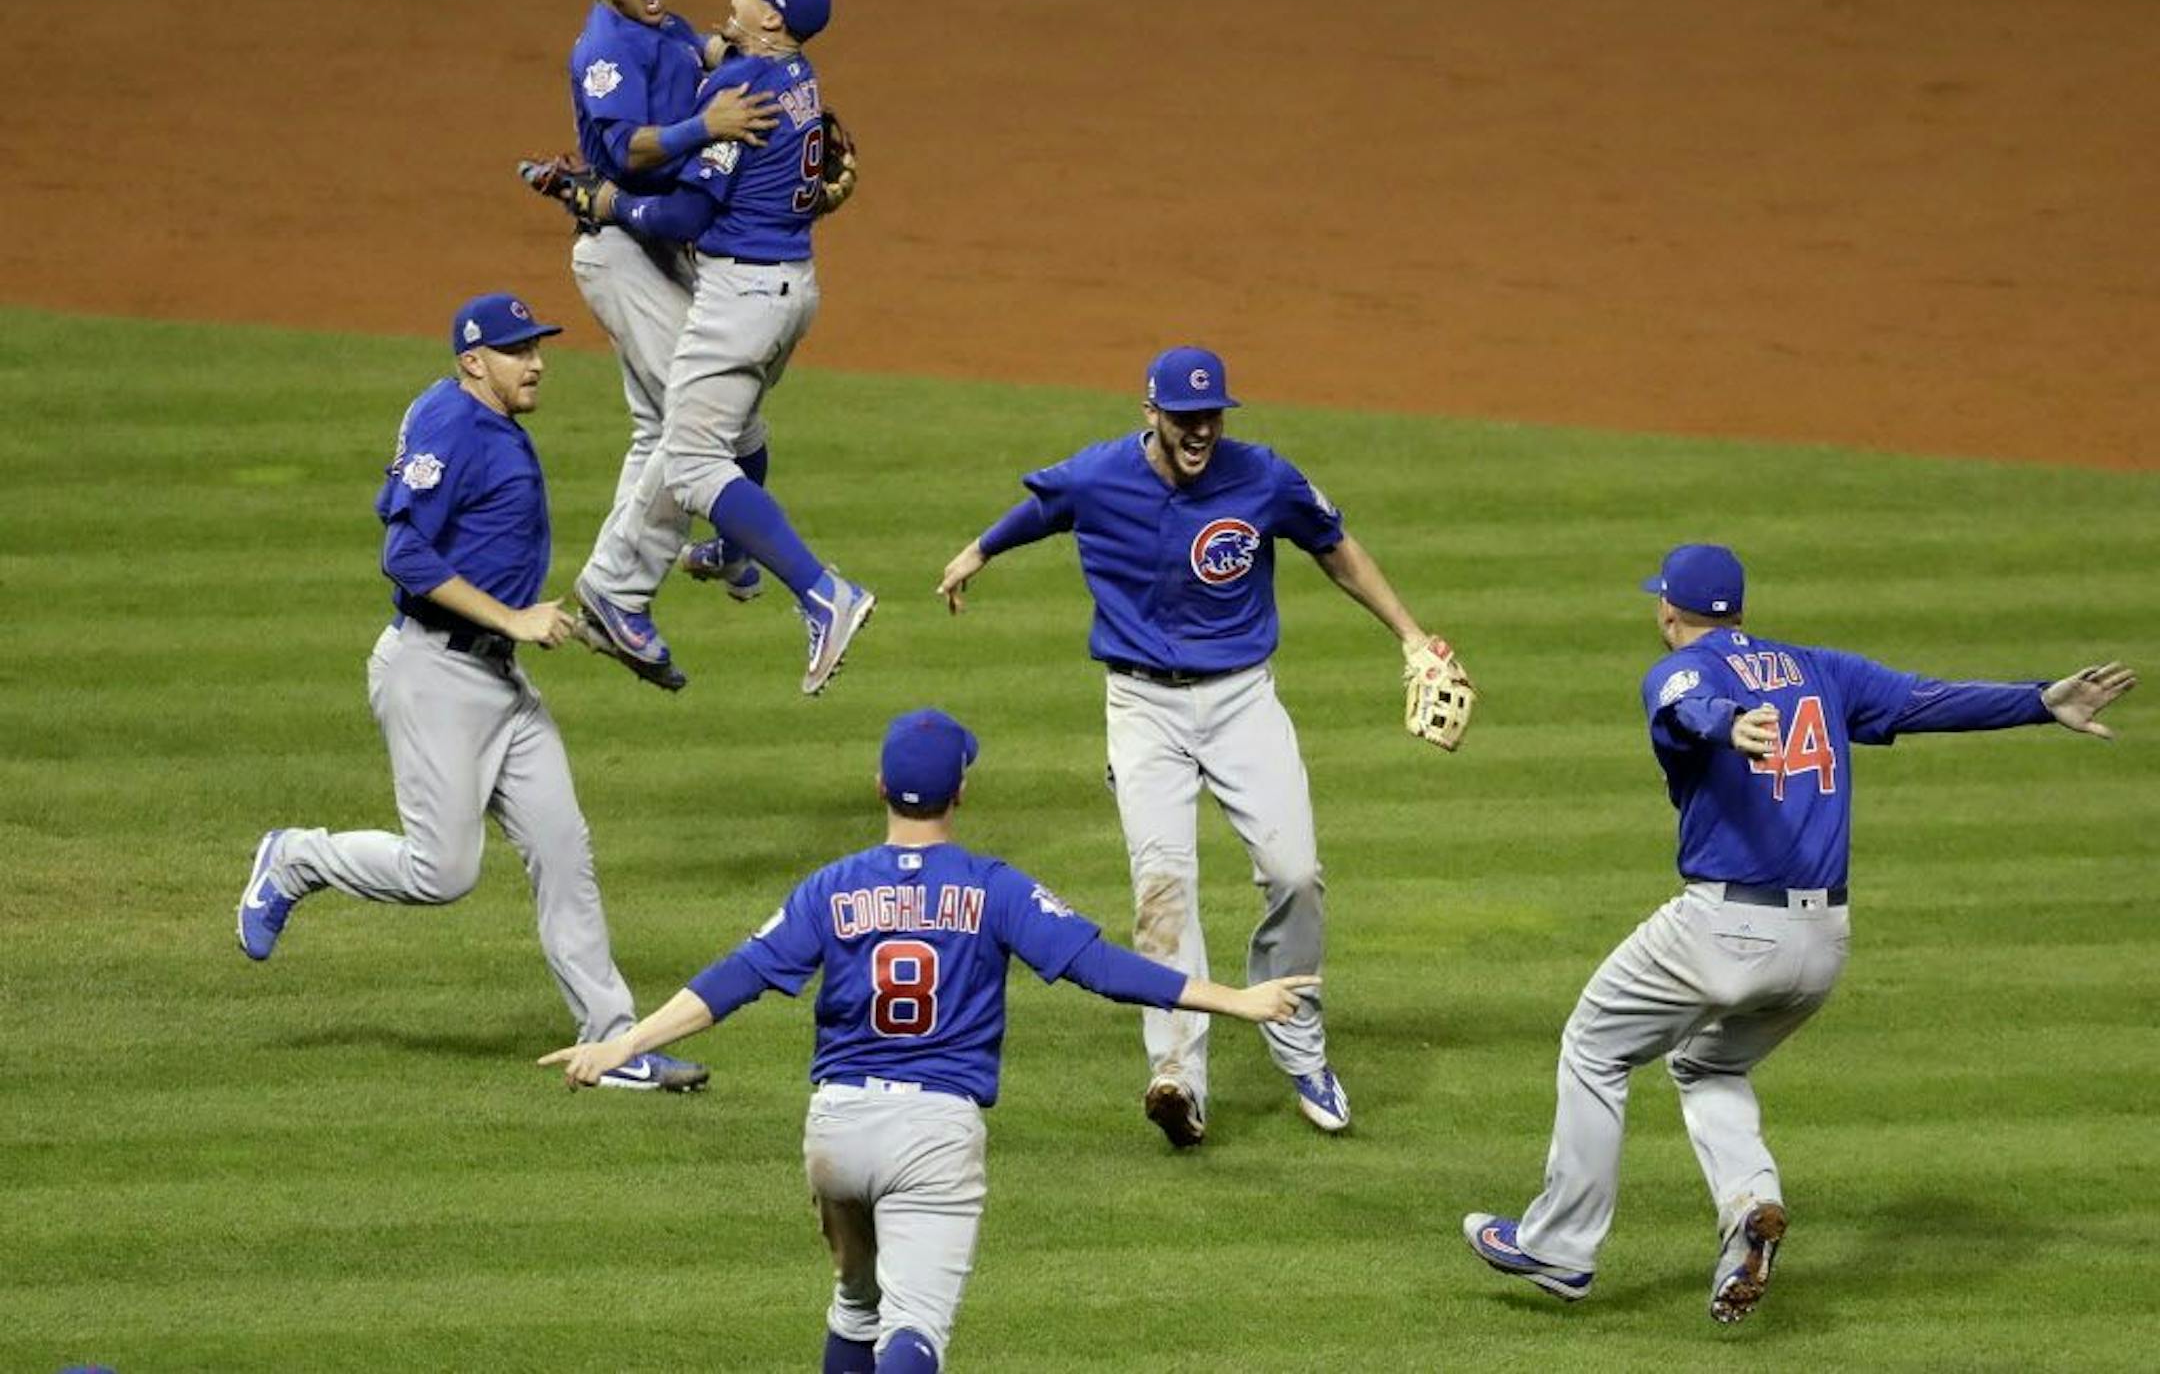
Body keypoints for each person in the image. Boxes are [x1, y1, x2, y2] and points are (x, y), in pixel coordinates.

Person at [1462, 543, 2137, 1322]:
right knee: (1706, 1064)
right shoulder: (1820, 667)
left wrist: (1724, 725)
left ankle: (1560, 1247)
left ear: (1668, 610)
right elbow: (1922, 700)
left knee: (1593, 1044)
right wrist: (2037, 701)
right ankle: (1751, 1211)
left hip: (1725, 926)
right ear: (1740, 608)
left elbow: (1686, 703)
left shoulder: (1682, 668)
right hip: (1821, 946)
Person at [539, 708, 1317, 1373]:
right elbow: (1103, 967)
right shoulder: (992, 885)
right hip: (934, 1137)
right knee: (915, 1331)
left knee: (855, 1298)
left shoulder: (831, 886)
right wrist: (1235, 1000)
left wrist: (621, 1043)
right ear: (962, 791)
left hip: (835, 1129)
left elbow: (733, 979)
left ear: (881, 788)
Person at [933, 346, 1459, 1146]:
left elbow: (1335, 546)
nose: (1200, 430)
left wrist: (1412, 637)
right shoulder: (1101, 473)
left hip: (1243, 698)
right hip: (1142, 706)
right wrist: (978, 550)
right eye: (1184, 416)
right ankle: (1176, 1073)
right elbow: (1044, 506)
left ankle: (1299, 1039)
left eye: (1211, 414)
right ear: (1151, 413)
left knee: (1295, 874)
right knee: (1162, 884)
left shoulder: (1264, 477)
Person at [234, 292, 707, 1092]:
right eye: (519, 351)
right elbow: (404, 554)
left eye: (537, 348)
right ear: (472, 361)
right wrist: (513, 619)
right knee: (441, 872)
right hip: (434, 674)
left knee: (564, 850)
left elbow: (493, 564)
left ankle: (612, 1041)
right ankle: (296, 858)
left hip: (496, 676)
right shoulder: (453, 425)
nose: (538, 362)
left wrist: (572, 627)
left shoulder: (480, 421)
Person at [564, 0, 874, 697]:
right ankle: (722, 556)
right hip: (791, 288)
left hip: (738, 297)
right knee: (715, 435)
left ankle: (823, 592)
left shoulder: (739, 83)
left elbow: (688, 212)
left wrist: (605, 203)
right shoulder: (797, 75)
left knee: (699, 458)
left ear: (771, 17)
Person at [551, 0, 784, 690]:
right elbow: (624, 150)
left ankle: (653, 571)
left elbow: (714, 55)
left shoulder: (669, 27)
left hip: (665, 248)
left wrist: (763, 70)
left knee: (661, 426)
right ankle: (620, 589)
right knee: (702, 420)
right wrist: (705, 124)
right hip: (624, 249)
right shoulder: (603, 51)